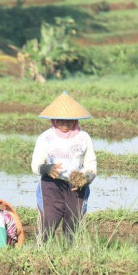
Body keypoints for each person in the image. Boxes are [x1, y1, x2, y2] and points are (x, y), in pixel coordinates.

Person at [31, 91, 97, 242]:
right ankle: (40, 255)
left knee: (73, 229)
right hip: (51, 186)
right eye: (60, 120)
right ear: (54, 119)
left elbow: (90, 163)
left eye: (69, 120)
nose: (65, 124)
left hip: (76, 186)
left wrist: (87, 178)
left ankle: (70, 258)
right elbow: (36, 165)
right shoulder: (45, 138)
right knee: (46, 227)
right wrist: (47, 169)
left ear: (75, 120)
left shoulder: (83, 138)